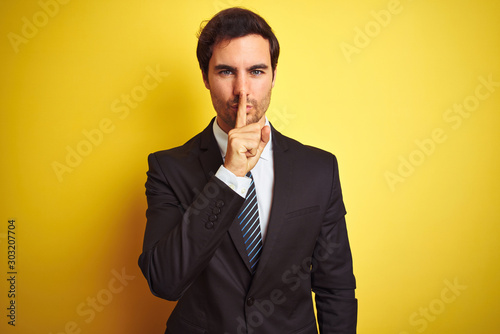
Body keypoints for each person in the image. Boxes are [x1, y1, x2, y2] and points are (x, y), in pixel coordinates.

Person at [138, 7, 357, 334]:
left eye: (256, 71)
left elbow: (335, 287)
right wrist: (230, 175)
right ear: (205, 77)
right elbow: (166, 281)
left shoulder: (319, 169)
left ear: (273, 75)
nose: (242, 90)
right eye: (226, 72)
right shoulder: (168, 169)